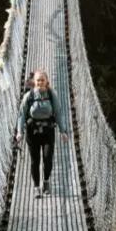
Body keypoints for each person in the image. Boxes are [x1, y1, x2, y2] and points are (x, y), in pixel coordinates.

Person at [16, 69, 68, 198]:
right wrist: (19, 132)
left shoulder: (51, 95)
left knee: (47, 158)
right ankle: (36, 187)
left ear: (47, 82)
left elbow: (58, 112)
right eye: (38, 80)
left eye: (42, 80)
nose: (40, 82)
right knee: (35, 160)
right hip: (32, 132)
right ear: (34, 82)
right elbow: (22, 114)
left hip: (48, 131)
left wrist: (63, 131)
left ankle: (46, 182)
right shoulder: (29, 96)